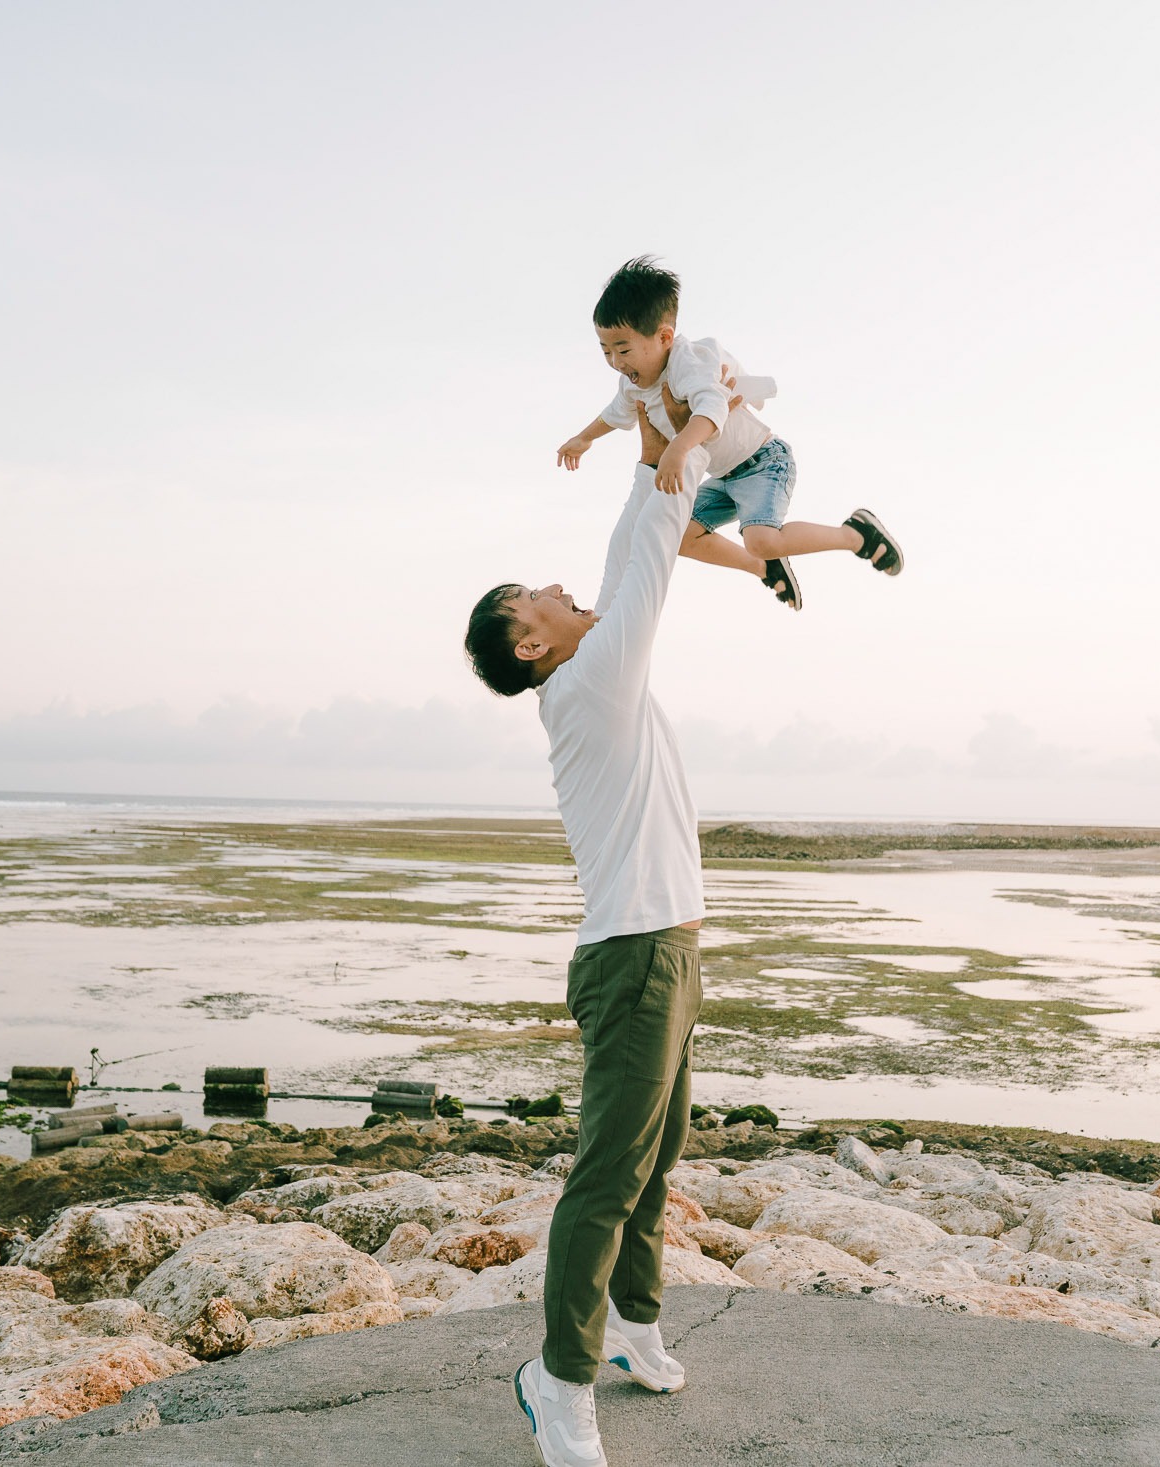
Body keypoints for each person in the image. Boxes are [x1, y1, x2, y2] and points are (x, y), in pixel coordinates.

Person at [466, 400, 715, 1467]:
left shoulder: (588, 675)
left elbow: (619, 563)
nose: (557, 588)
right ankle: (556, 1383)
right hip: (634, 960)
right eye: (535, 594)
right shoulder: (589, 681)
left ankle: (636, 1330)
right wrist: (680, 444)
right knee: (607, 1178)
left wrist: (653, 445)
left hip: (671, 946)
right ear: (530, 642)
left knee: (653, 1164)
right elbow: (645, 550)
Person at [555, 255, 903, 611]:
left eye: (623, 349)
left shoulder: (691, 361)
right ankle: (762, 568)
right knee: (679, 535)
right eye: (606, 350)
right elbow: (616, 412)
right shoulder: (634, 382)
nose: (616, 361)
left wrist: (678, 449)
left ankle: (855, 534)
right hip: (725, 476)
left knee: (762, 538)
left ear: (664, 337)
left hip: (763, 462)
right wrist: (585, 438)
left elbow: (713, 409)